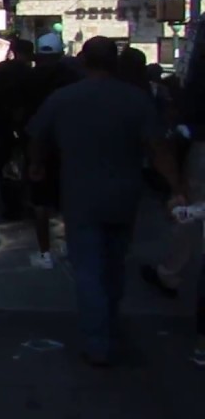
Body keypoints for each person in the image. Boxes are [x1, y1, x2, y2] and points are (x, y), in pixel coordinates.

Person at [26, 36, 185, 367]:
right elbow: (158, 149)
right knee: (113, 264)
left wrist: (37, 165)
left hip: (81, 196)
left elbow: (36, 135)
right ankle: (109, 324)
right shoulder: (136, 100)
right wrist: (176, 187)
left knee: (88, 269)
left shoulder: (64, 98)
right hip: (124, 196)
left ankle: (98, 339)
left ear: (84, 61)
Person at [24, 32, 82, 269]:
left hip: (38, 143)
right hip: (69, 145)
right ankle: (69, 245)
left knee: (40, 203)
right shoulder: (73, 79)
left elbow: (22, 113)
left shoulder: (30, 78)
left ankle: (45, 253)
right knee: (69, 199)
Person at [0, 38, 36, 220]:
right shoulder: (31, 74)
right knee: (26, 165)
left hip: (2, 126)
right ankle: (23, 202)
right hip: (25, 127)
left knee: (5, 166)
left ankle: (11, 205)